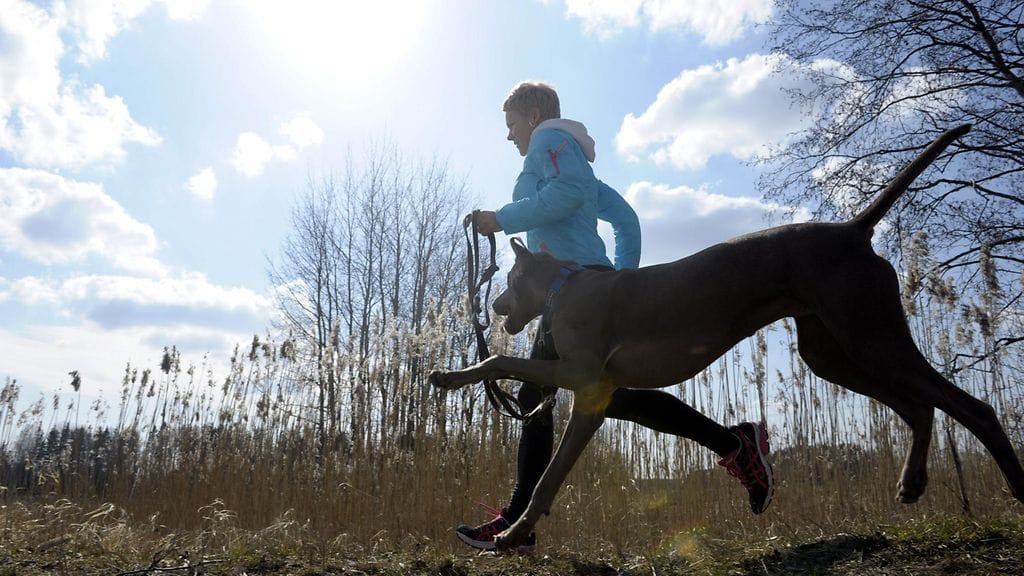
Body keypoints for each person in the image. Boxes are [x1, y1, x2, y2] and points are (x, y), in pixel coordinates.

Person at [457, 81, 773, 554]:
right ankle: (735, 445)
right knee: (612, 398)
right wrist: (622, 278)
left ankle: (518, 523)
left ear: (535, 112)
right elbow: (625, 219)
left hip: (576, 292)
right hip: (585, 291)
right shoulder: (570, 161)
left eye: (511, 125)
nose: (510, 137)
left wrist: (500, 219)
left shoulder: (550, 140)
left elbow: (565, 193)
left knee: (535, 396)